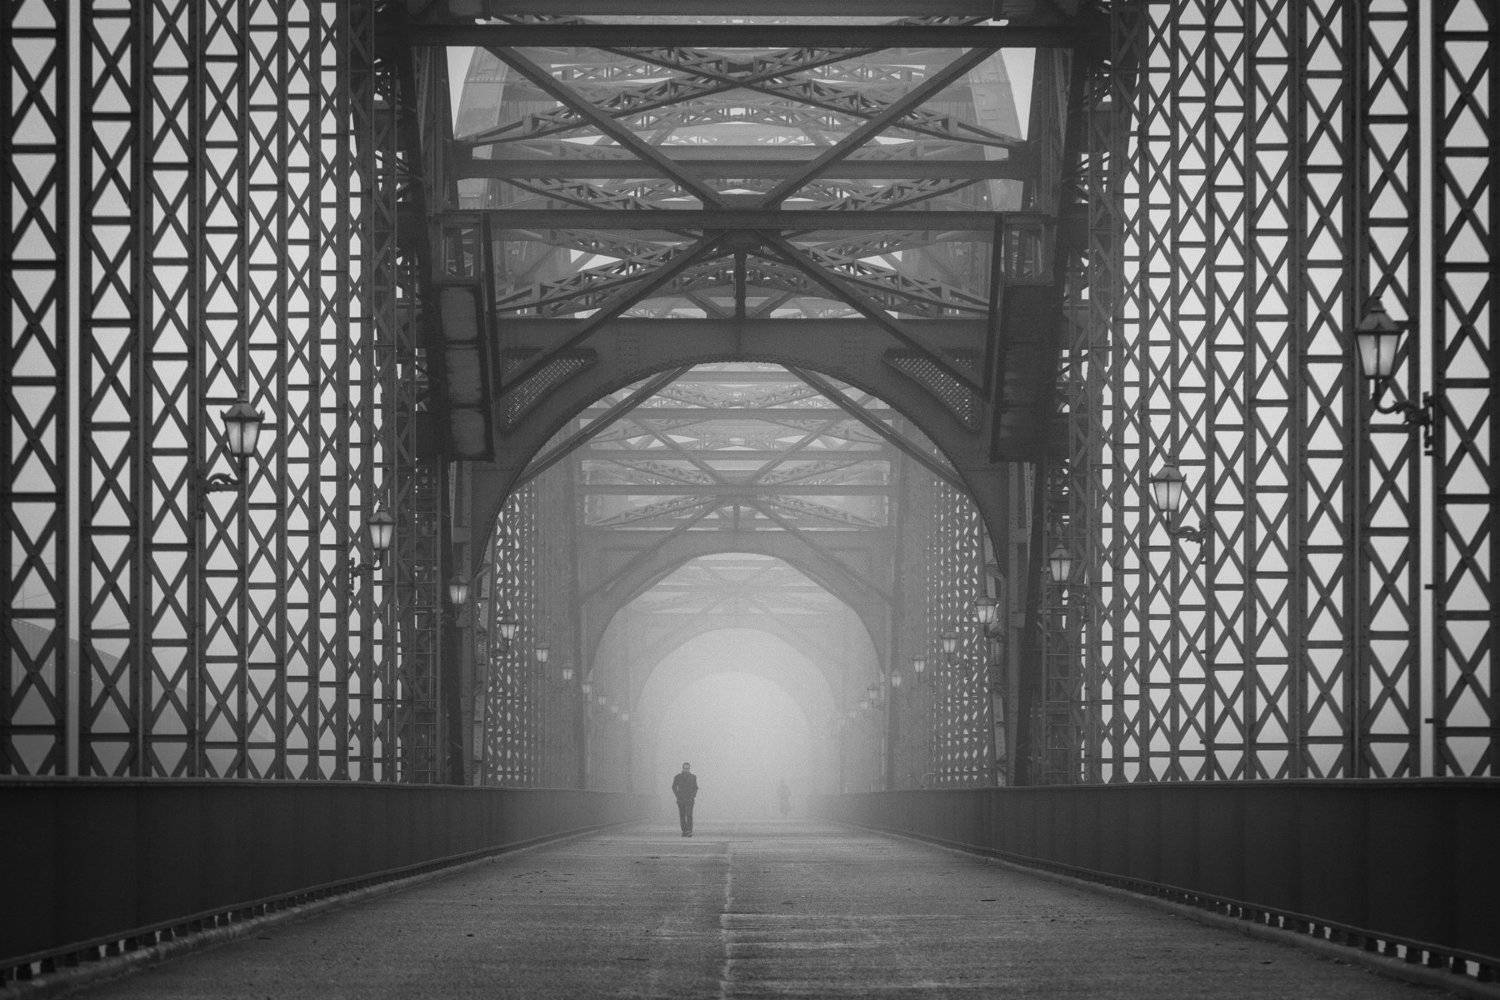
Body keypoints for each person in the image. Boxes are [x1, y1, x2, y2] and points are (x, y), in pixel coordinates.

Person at [671, 762, 698, 837]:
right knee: (682, 815)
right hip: (681, 799)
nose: (686, 770)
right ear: (682, 768)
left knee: (689, 815)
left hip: (690, 799)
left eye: (687, 768)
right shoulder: (678, 777)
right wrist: (677, 795)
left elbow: (696, 787)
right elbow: (673, 787)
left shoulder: (693, 777)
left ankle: (689, 830)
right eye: (685, 768)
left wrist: (693, 795)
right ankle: (684, 830)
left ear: (689, 769)